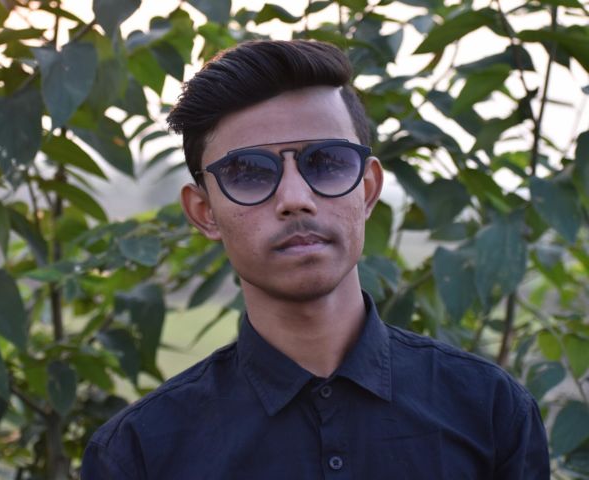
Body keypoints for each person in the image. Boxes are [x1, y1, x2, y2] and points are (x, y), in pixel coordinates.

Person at [81, 39, 549, 479]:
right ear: (204, 212)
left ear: (368, 189)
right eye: (248, 172)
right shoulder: (140, 453)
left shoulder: (490, 410)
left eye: (327, 162)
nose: (295, 199)